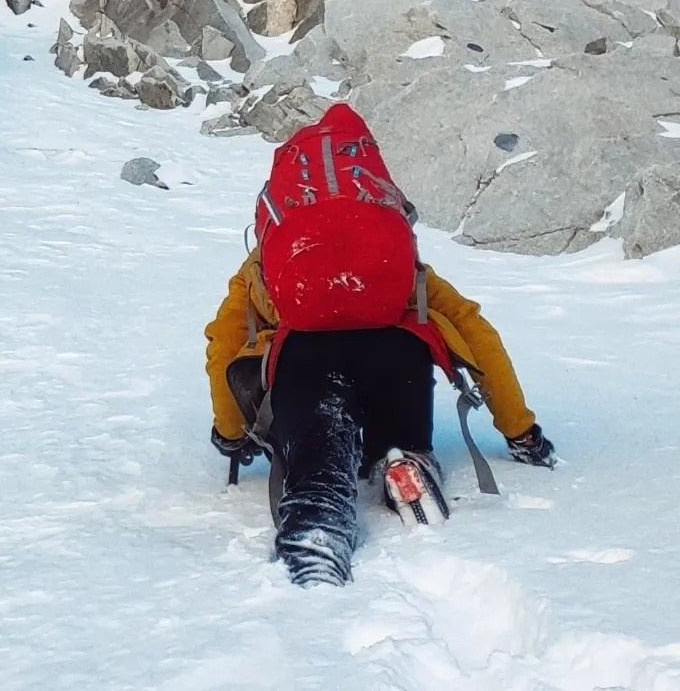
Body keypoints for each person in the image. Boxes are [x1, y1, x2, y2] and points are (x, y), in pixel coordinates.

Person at [205, 107, 556, 586]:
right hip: (398, 361)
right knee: (397, 423)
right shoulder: (397, 266)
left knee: (320, 445)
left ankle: (319, 516)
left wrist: (230, 432)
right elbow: (477, 332)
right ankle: (404, 460)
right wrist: (521, 431)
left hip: (306, 363)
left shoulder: (264, 269)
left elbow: (223, 346)